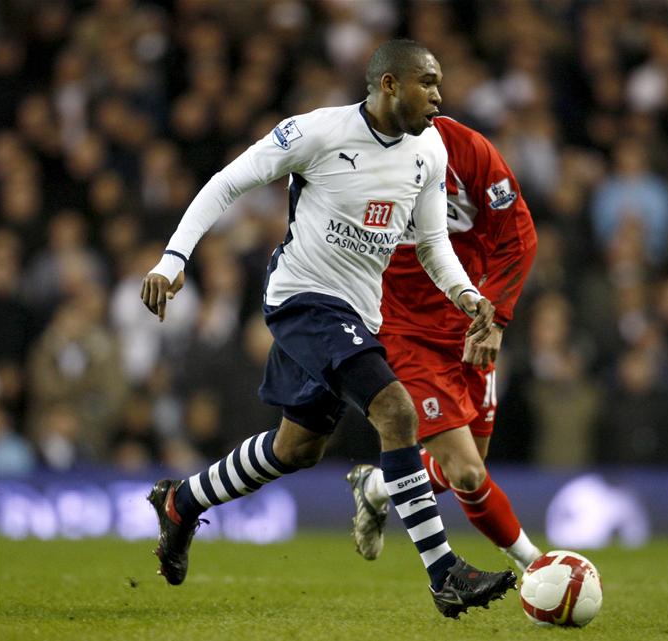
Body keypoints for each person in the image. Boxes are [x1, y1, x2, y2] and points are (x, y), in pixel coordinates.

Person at [140, 39, 516, 619]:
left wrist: (467, 294)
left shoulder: (431, 152)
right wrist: (174, 258)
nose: (440, 96)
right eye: (428, 82)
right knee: (396, 412)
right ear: (389, 84)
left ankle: (181, 503)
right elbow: (227, 182)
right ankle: (445, 574)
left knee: (297, 449)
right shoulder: (316, 132)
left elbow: (434, 243)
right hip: (302, 297)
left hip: (360, 312)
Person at [346, 116, 542, 572]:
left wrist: (496, 319)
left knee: (471, 462)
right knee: (468, 473)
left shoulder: (469, 150)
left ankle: (377, 486)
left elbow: (520, 236)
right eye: (424, 86)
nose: (432, 99)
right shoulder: (353, 155)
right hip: (406, 334)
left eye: (436, 86)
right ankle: (538, 565)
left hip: (472, 326)